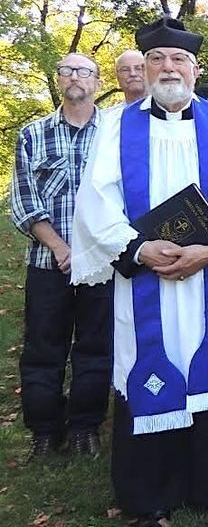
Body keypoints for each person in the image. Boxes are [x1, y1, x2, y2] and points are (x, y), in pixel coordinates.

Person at [70, 17, 208, 527]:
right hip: (148, 280)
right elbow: (96, 202)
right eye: (157, 58)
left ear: (195, 68)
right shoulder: (116, 127)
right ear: (143, 68)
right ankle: (152, 496)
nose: (168, 67)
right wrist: (138, 248)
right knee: (153, 372)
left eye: (178, 59)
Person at [10, 52, 112, 459]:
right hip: (47, 262)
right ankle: (44, 430)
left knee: (95, 346)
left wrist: (90, 250)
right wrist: (59, 247)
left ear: (97, 81)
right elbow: (23, 200)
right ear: (57, 79)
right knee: (43, 347)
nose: (75, 77)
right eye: (67, 70)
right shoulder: (33, 134)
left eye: (84, 71)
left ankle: (86, 426)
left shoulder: (114, 133)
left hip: (100, 262)